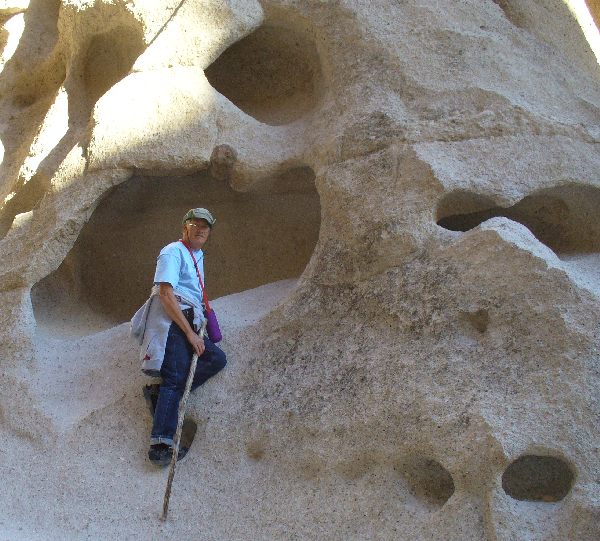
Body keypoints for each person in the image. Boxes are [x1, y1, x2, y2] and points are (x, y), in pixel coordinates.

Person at [130, 208, 227, 466]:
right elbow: (165, 293)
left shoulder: (197, 255)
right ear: (185, 227)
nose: (200, 229)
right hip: (173, 319)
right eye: (195, 224)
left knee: (215, 358)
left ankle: (160, 396)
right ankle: (160, 444)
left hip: (189, 317)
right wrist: (189, 333)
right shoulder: (173, 251)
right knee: (174, 377)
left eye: (205, 225)